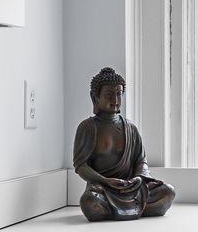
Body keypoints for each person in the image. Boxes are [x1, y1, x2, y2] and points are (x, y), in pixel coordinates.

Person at [73, 67, 175, 221]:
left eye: (119, 94)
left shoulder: (130, 128)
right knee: (89, 202)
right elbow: (81, 166)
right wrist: (105, 181)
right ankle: (128, 209)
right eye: (108, 95)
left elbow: (141, 160)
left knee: (167, 192)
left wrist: (138, 178)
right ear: (95, 98)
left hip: (131, 187)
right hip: (103, 188)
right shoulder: (88, 127)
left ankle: (121, 210)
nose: (115, 100)